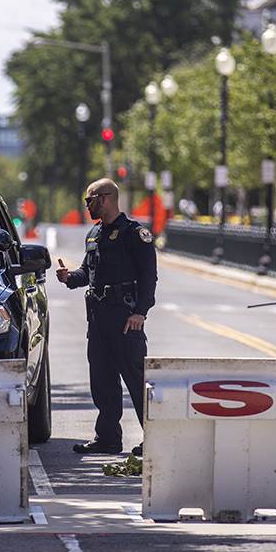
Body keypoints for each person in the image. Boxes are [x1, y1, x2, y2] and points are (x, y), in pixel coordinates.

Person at [56, 178, 157, 457]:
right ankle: (108, 438)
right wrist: (68, 277)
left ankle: (155, 439)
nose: (87, 206)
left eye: (90, 200)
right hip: (99, 319)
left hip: (125, 318)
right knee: (102, 380)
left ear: (106, 198)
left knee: (136, 380)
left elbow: (149, 277)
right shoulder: (94, 234)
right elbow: (86, 274)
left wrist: (140, 312)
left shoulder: (134, 234)